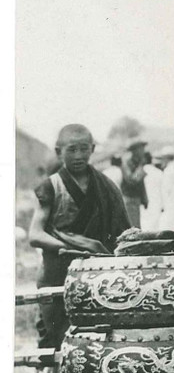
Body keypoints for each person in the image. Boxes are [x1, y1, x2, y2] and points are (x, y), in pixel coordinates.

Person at [28, 124, 132, 347]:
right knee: (57, 344)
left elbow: (122, 235)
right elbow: (35, 234)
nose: (78, 156)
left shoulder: (107, 187)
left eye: (84, 149)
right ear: (58, 152)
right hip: (58, 273)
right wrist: (67, 246)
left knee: (96, 342)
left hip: (97, 276)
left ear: (92, 149)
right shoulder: (51, 186)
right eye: (71, 150)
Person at [120, 139, 148, 227]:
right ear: (135, 151)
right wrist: (141, 167)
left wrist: (144, 198)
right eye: (141, 149)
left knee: (137, 227)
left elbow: (141, 184)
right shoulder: (127, 163)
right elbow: (132, 180)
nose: (144, 151)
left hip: (136, 199)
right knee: (132, 227)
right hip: (129, 200)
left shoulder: (138, 163)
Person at [140, 151, 164, 231]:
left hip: (144, 203)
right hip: (157, 202)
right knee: (155, 227)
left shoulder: (140, 172)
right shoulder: (159, 173)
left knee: (144, 226)